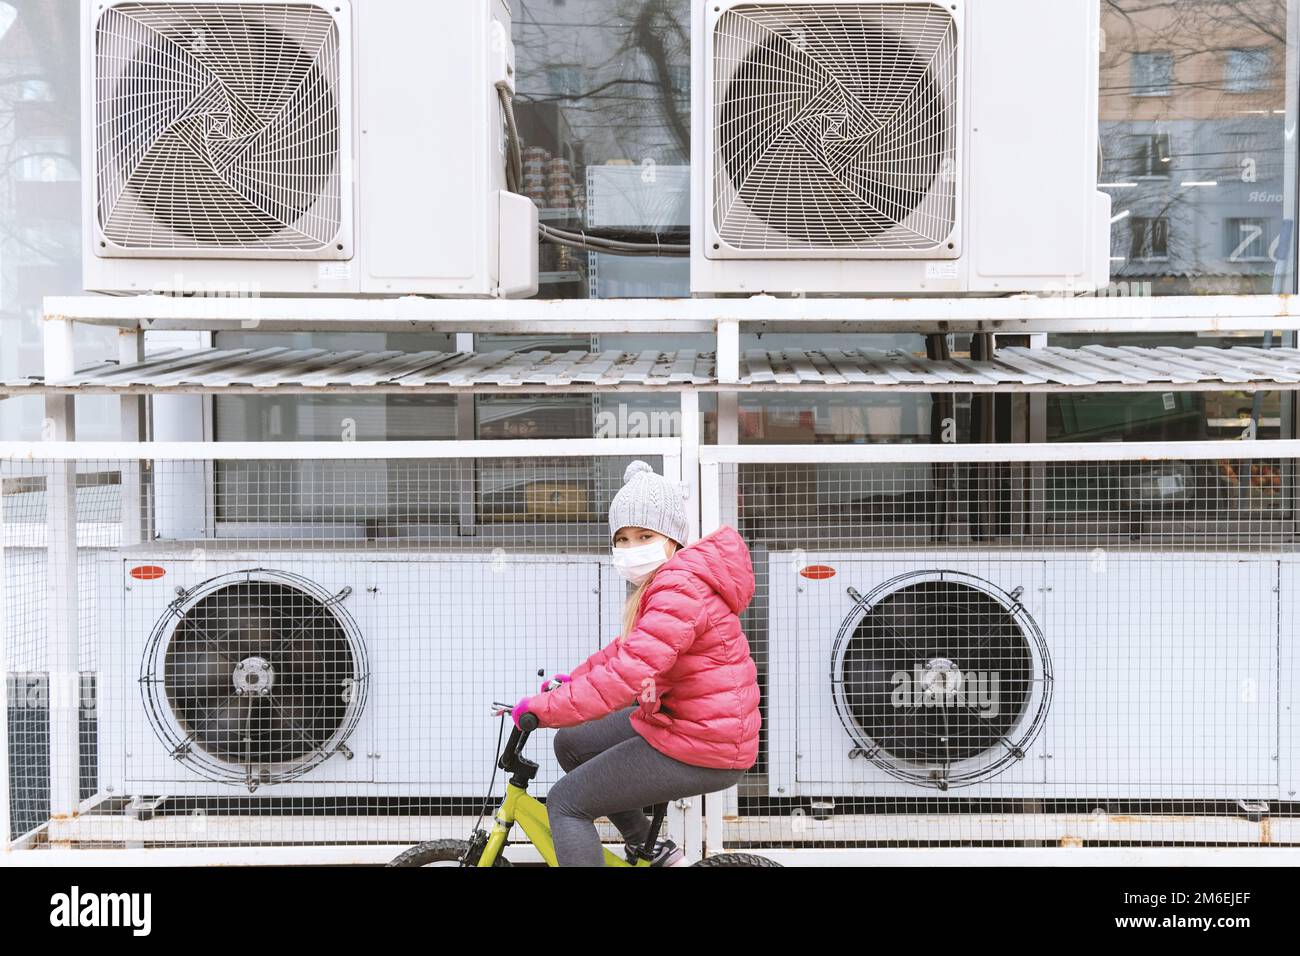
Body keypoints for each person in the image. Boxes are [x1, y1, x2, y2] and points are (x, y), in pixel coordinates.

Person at [511, 460, 761, 866]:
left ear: (673, 539)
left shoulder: (679, 587)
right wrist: (569, 682)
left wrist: (544, 709)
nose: (631, 549)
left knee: (566, 804)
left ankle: (646, 846)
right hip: (685, 723)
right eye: (622, 539)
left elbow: (628, 675)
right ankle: (649, 846)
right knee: (572, 743)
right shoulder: (669, 582)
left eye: (645, 535)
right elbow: (626, 651)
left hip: (702, 742)